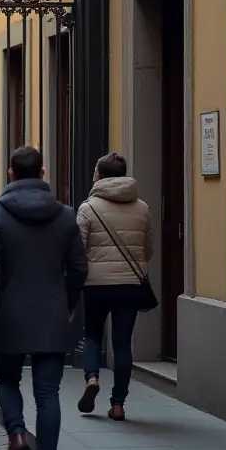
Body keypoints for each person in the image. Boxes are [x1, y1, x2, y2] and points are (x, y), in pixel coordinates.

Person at [0, 145, 87, 450]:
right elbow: (79, 267)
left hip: (11, 311)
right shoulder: (66, 215)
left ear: (10, 173)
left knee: (7, 379)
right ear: (43, 173)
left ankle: (16, 434)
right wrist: (69, 303)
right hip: (53, 312)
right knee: (48, 392)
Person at [76, 152, 154, 421]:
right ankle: (118, 404)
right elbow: (148, 250)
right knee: (122, 342)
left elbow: (78, 251)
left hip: (96, 285)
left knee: (92, 335)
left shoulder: (88, 208)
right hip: (130, 285)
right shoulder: (142, 208)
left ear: (99, 175)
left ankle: (92, 378)